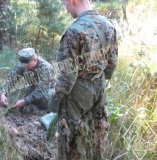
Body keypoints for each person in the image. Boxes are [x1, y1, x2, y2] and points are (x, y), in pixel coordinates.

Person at [48, 0, 118, 159]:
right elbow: (112, 64)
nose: (65, 9)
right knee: (97, 131)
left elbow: (67, 76)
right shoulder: (108, 26)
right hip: (99, 88)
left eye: (64, 3)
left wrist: (55, 99)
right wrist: (96, 78)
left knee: (71, 137)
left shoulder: (73, 31)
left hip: (77, 92)